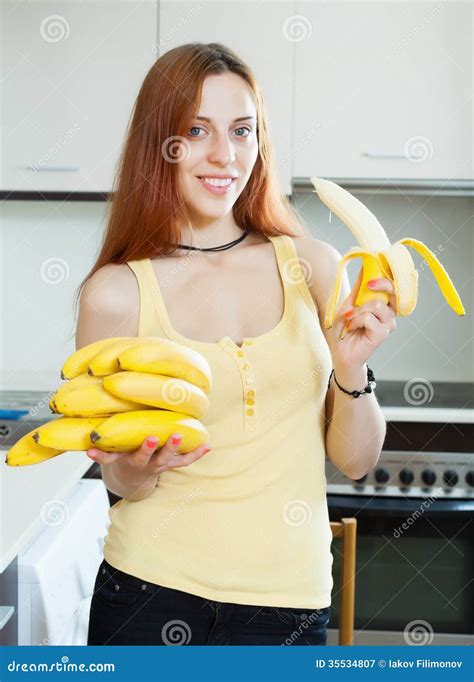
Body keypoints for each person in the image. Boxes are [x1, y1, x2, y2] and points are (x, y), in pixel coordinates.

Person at [77, 43, 397, 646]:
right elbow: (118, 484)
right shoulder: (116, 294)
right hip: (148, 593)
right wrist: (135, 468)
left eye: (242, 130)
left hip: (288, 604)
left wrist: (352, 369)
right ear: (160, 144)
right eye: (196, 130)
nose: (225, 154)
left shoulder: (315, 267)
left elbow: (356, 461)